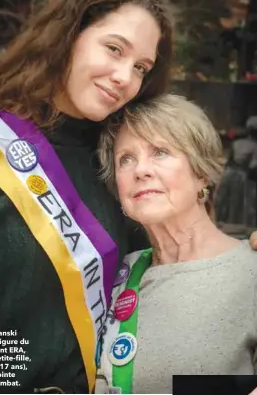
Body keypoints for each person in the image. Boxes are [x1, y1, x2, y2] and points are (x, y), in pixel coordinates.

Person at [0, 0, 174, 394]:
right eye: (114, 49)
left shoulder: (123, 171)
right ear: (68, 34)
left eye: (141, 67)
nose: (124, 77)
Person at [95, 94, 257, 394]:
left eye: (160, 152)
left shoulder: (251, 272)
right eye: (126, 159)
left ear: (202, 173)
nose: (140, 170)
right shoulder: (114, 274)